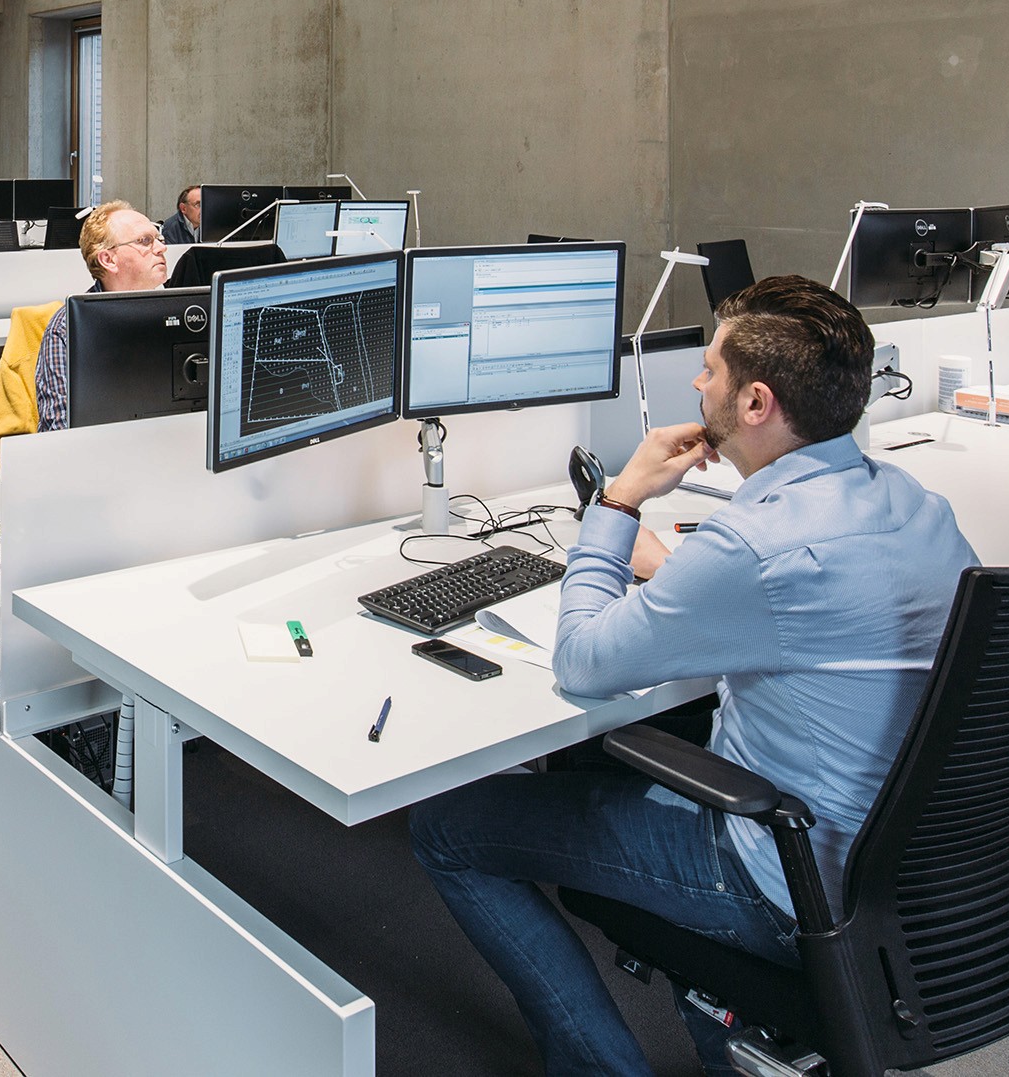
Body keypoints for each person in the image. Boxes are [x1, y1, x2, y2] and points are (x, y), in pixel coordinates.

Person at [410, 274, 979, 1077]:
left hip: (786, 879)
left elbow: (582, 660)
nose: (695, 380)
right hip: (916, 869)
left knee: (447, 830)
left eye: (709, 367)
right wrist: (686, 580)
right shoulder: (916, 502)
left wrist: (621, 498)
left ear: (754, 404)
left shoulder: (755, 545)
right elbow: (802, 615)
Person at [30, 200, 171, 431]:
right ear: (108, 260)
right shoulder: (68, 329)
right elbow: (59, 429)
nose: (161, 248)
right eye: (145, 241)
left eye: (159, 238)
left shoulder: (176, 314)